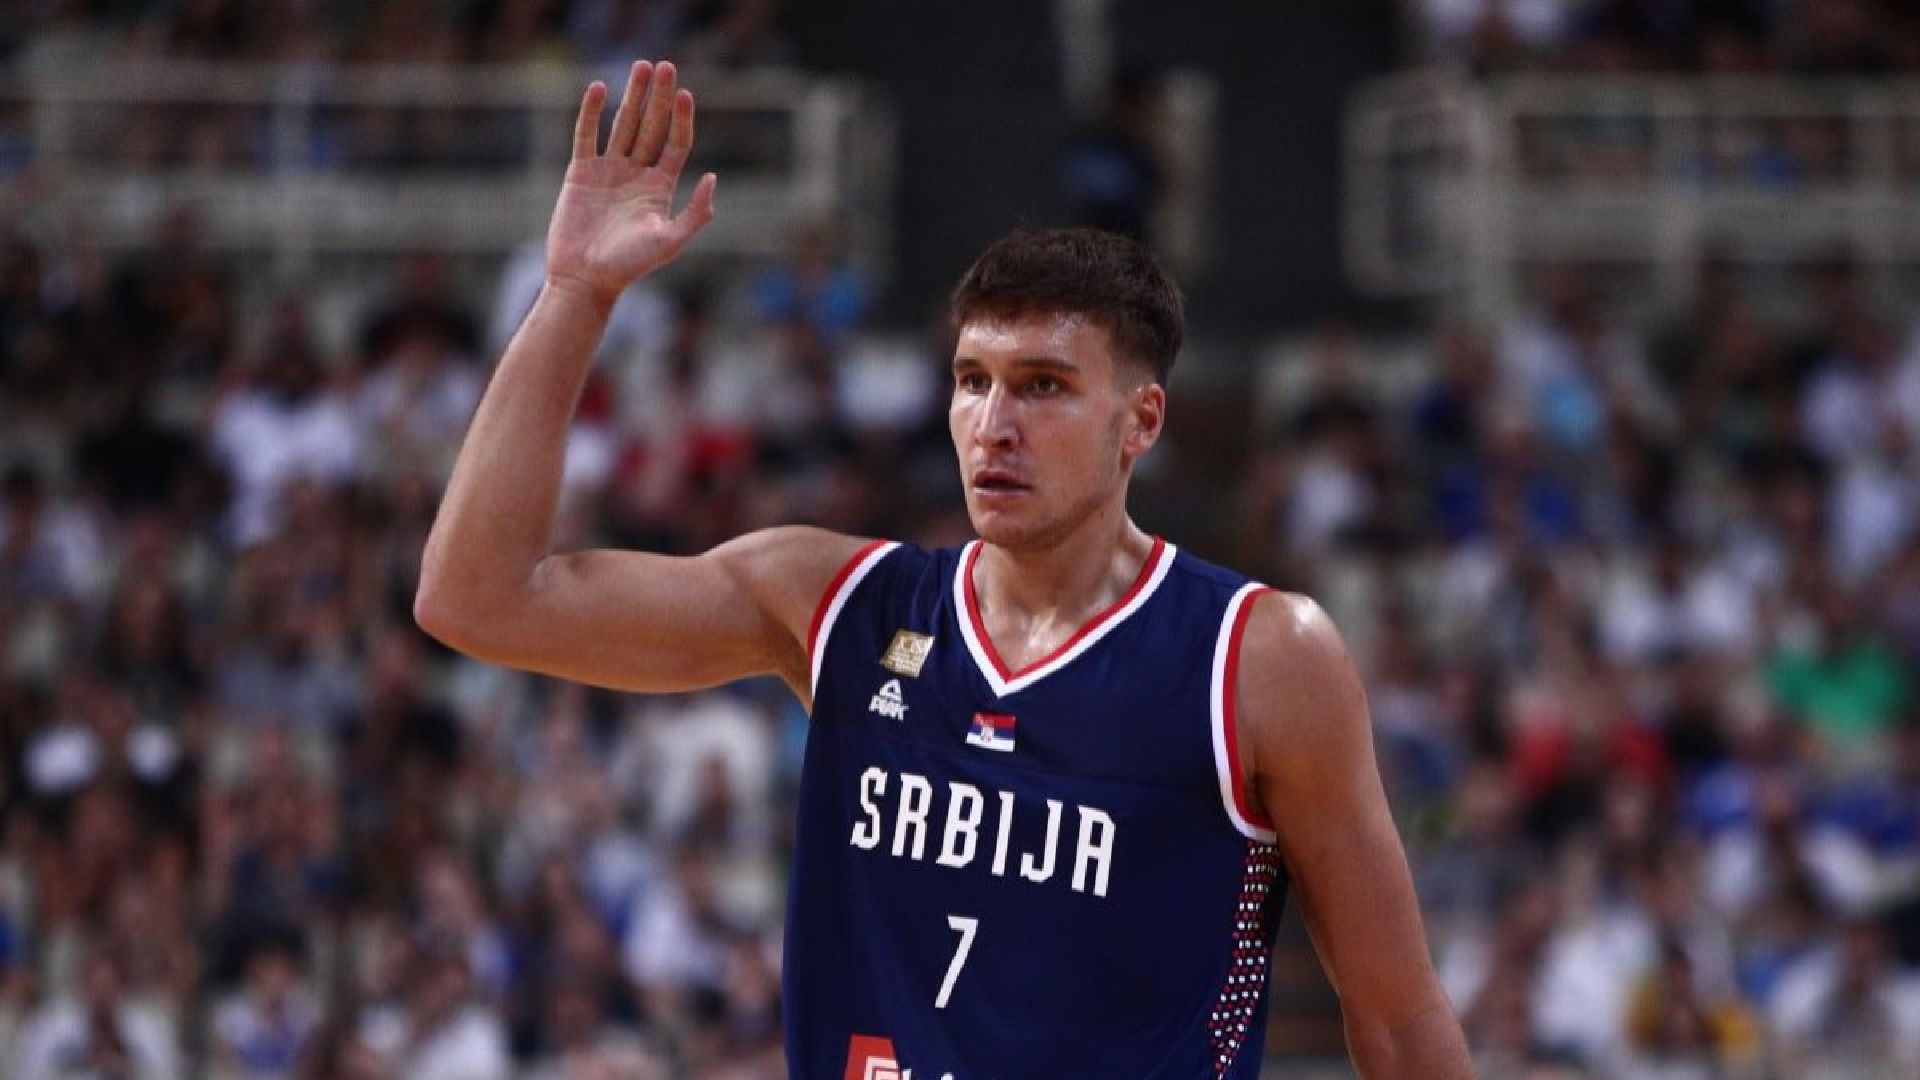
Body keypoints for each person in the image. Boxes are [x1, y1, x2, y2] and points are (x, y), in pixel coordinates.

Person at [416, 59, 1474, 1079]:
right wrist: (574, 296)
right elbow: (477, 599)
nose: (994, 424)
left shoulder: (1259, 658)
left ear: (1140, 421)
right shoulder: (837, 605)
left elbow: (1399, 1022)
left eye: (1044, 386)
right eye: (973, 380)